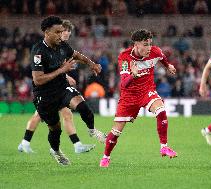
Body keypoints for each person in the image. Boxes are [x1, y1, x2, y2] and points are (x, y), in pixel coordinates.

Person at [29, 16, 106, 165]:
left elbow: (75, 54)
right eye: (57, 32)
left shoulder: (62, 45)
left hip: (62, 88)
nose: (60, 35)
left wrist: (92, 64)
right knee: (55, 130)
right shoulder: (38, 51)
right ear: (47, 32)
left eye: (61, 32)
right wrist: (61, 70)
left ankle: (92, 130)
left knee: (83, 106)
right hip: (44, 95)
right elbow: (37, 80)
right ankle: (56, 151)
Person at [99, 29, 178, 168]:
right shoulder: (124, 57)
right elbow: (123, 83)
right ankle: (106, 157)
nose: (148, 48)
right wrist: (133, 75)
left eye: (150, 44)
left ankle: (164, 146)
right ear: (136, 44)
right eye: (145, 44)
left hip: (147, 91)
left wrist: (168, 66)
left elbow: (162, 58)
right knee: (116, 132)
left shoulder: (155, 51)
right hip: (129, 97)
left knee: (161, 110)